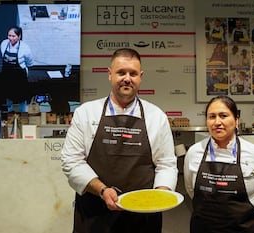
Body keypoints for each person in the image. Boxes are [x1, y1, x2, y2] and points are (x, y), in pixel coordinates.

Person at [60, 48, 178, 233]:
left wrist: (161, 194)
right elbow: (71, 161)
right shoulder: (86, 113)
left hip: (143, 217)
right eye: (121, 72)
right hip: (94, 214)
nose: (127, 78)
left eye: (133, 73)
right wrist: (102, 190)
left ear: (141, 76)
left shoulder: (156, 116)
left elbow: (166, 164)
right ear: (109, 74)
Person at [184, 95, 254, 233]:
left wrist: (241, 216)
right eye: (212, 116)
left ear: (236, 120)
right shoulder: (194, 152)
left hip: (244, 228)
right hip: (204, 227)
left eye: (223, 115)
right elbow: (191, 190)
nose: (217, 122)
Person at [0, 26, 34, 112]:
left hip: (19, 76)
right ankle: (9, 111)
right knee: (8, 94)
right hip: (6, 74)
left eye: (13, 36)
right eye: (9, 35)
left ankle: (23, 112)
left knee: (22, 96)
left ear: (19, 36)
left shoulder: (25, 48)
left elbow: (30, 63)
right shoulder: (4, 43)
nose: (11, 38)